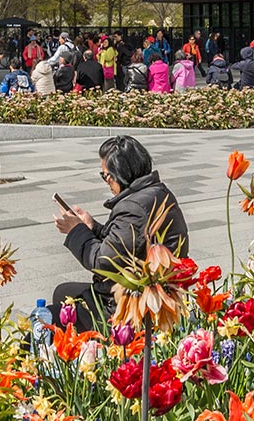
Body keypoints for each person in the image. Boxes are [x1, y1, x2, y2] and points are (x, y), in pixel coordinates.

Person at [50, 133, 188, 320]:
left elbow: (103, 261)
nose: (106, 181)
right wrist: (92, 228)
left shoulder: (133, 208)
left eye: (106, 175)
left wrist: (75, 230)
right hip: (149, 293)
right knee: (63, 292)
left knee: (51, 315)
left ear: (121, 174)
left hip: (131, 305)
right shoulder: (156, 192)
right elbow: (126, 245)